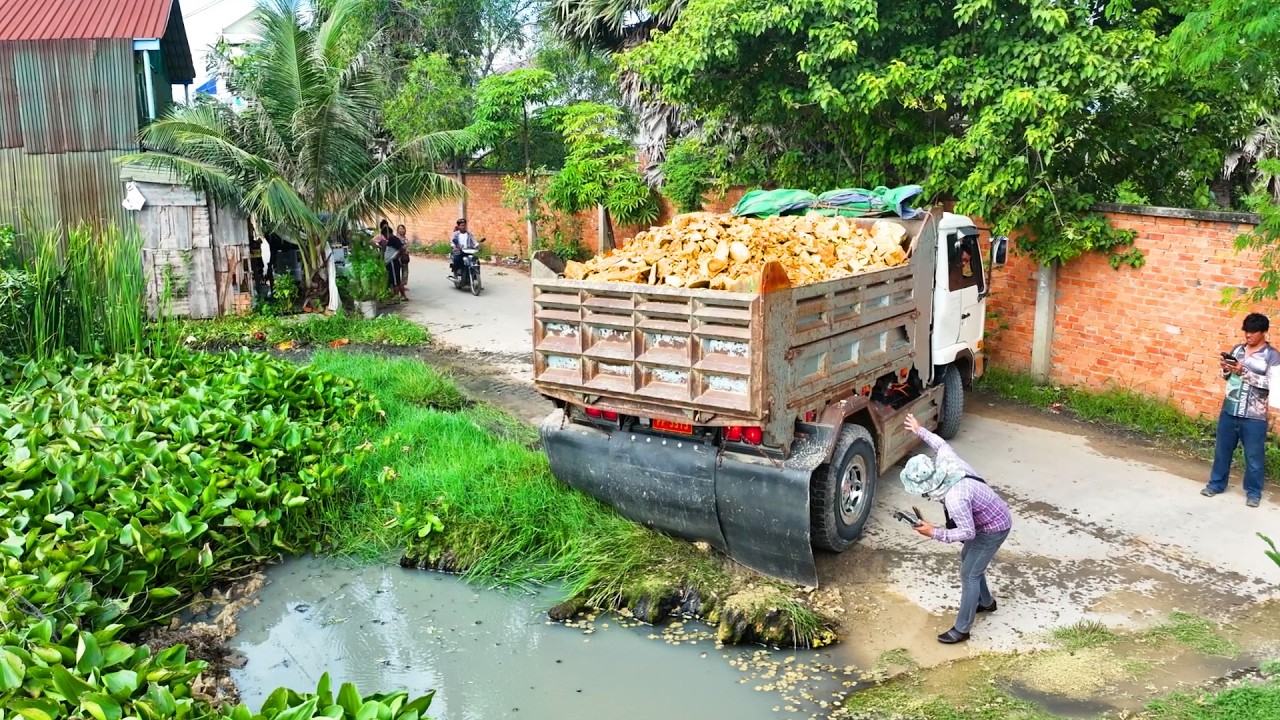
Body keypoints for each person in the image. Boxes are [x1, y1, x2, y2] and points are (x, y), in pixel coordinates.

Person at [899, 413, 1013, 644]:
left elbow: (967, 532)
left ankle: (962, 629)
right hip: (986, 517)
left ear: (928, 488)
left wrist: (934, 532)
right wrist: (919, 429)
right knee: (967, 557)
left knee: (969, 573)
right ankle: (986, 602)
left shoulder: (955, 497)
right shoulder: (945, 462)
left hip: (994, 527)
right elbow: (940, 443)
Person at [1203, 312, 1280, 508]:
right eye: (1246, 332)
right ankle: (1216, 484)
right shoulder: (1237, 349)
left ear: (1263, 332)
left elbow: (1273, 385)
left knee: (1254, 457)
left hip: (1254, 416)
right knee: (1222, 451)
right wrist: (1227, 369)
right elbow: (1226, 377)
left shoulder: (1272, 356)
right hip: (1230, 410)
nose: (1248, 336)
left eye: (1253, 332)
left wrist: (1243, 371)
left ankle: (1254, 493)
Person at [380, 225, 407, 301]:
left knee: (395, 281)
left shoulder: (393, 239)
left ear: (387, 233)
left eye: (385, 235)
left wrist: (398, 255)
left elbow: (403, 248)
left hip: (392, 262)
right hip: (392, 262)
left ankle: (396, 297)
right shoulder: (393, 239)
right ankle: (403, 296)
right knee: (398, 280)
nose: (385, 237)